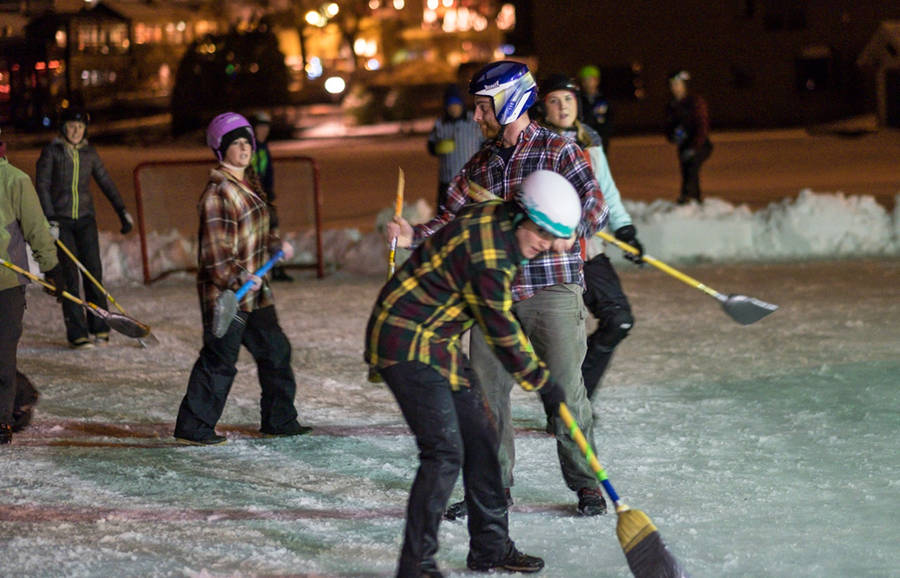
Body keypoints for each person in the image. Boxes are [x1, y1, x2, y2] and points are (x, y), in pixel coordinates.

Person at [387, 61, 611, 518]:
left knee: (567, 394)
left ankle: (586, 484)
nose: (476, 116)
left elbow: (595, 203)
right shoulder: (481, 164)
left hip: (552, 288)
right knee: (486, 401)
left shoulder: (558, 150)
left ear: (509, 101)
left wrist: (573, 228)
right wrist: (413, 235)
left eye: (483, 106)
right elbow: (449, 219)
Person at [367, 170, 581, 576]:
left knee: (483, 439)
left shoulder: (497, 215)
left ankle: (490, 548)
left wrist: (561, 231)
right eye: (540, 231)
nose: (544, 244)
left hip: (438, 340)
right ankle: (416, 567)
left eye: (551, 236)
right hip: (405, 339)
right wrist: (544, 384)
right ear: (520, 216)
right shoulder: (491, 257)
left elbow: (542, 227)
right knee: (445, 453)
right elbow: (499, 328)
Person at [173, 112, 311, 445]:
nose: (244, 148)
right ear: (221, 151)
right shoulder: (218, 193)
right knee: (220, 359)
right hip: (228, 296)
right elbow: (216, 255)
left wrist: (277, 245)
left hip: (255, 293)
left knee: (276, 351)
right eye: (235, 143)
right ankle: (193, 427)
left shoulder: (249, 184)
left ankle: (279, 419)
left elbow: (260, 233)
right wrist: (241, 275)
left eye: (247, 141)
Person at [536, 73, 643, 399]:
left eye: (568, 99)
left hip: (588, 252)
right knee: (558, 341)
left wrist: (624, 229)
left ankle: (573, 396)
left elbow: (606, 192)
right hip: (549, 257)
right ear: (543, 108)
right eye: (554, 100)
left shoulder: (590, 142)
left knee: (619, 319)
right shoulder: (536, 144)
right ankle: (564, 402)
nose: (562, 106)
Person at [35, 107, 134, 349]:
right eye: (71, 126)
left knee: (93, 273)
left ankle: (100, 327)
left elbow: (105, 181)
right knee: (70, 276)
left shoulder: (89, 153)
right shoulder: (52, 152)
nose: (76, 131)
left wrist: (122, 211)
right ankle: (78, 333)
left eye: (80, 127)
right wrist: (50, 219)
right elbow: (43, 185)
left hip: (86, 220)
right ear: (63, 128)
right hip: (62, 222)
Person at [1, 131, 64, 444]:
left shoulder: (15, 181)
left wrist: (51, 266)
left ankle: (4, 417)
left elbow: (36, 228)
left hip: (6, 285)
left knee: (2, 353)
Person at [249, 111, 292, 282]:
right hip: (252, 199)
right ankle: (251, 270)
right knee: (253, 234)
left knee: (273, 230)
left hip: (265, 198)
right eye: (260, 127)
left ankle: (276, 267)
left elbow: (267, 173)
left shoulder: (264, 148)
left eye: (266, 127)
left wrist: (269, 192)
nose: (264, 130)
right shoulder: (249, 149)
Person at [426, 84, 484, 210]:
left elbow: (486, 143)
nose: (453, 108)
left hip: (471, 179)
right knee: (445, 213)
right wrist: (438, 147)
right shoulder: (440, 123)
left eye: (456, 104)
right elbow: (431, 146)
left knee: (469, 212)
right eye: (450, 105)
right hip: (447, 179)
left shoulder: (473, 121)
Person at [665, 69, 713, 204]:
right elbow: (668, 128)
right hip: (683, 145)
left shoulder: (695, 102)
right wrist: (673, 136)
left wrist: (694, 146)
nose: (675, 88)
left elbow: (702, 125)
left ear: (685, 85)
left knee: (691, 167)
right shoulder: (672, 105)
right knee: (687, 171)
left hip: (700, 144)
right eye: (672, 84)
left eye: (678, 84)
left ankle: (687, 197)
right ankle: (695, 201)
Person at [577, 65, 613, 154]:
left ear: (597, 81)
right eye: (584, 80)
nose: (587, 83)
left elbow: (610, 117)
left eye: (590, 80)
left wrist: (606, 132)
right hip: (584, 138)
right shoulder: (579, 100)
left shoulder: (604, 99)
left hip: (601, 138)